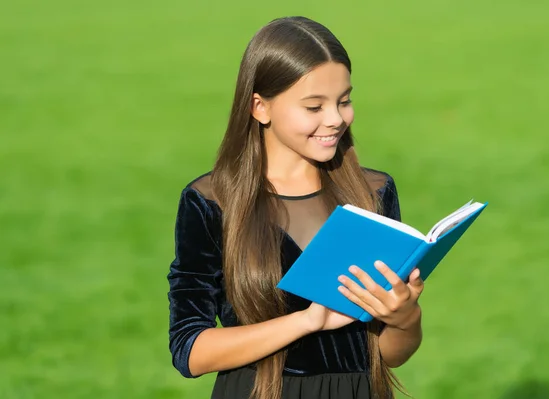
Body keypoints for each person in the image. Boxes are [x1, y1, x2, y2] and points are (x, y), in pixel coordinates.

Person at [167, 16, 424, 399]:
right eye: (313, 106)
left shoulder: (373, 193)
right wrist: (306, 322)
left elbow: (389, 355)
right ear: (260, 108)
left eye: (344, 101)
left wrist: (405, 319)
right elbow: (189, 350)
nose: (336, 119)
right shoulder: (211, 202)